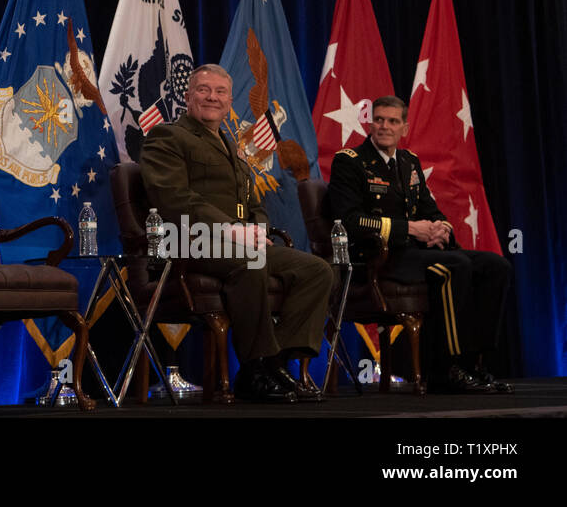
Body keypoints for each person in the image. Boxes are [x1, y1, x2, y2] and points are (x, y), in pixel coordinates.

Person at [139, 64, 334, 402]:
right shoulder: (168, 136)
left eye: (220, 92)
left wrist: (256, 229)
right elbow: (172, 198)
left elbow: (252, 201)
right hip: (190, 241)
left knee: (316, 270)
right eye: (203, 89)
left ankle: (274, 364)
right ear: (188, 97)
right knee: (250, 261)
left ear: (229, 102)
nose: (211, 97)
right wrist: (232, 229)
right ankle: (256, 364)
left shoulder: (232, 147)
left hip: (239, 243)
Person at [328, 95, 512, 393]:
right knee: (456, 266)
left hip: (414, 254)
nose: (384, 126)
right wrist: (410, 228)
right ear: (370, 122)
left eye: (392, 121)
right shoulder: (350, 161)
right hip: (378, 258)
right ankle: (447, 368)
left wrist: (442, 229)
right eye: (378, 119)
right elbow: (348, 220)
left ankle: (475, 362)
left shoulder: (409, 161)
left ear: (404, 127)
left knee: (496, 266)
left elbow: (431, 210)